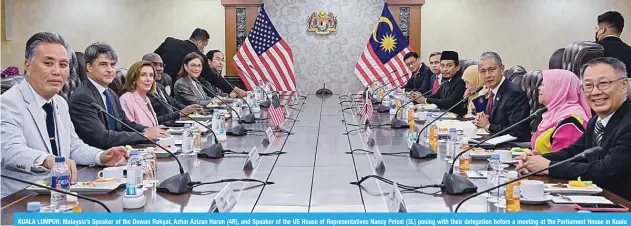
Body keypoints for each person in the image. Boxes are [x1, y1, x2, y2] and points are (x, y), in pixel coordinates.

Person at [1, 32, 128, 197]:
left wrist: (101, 156)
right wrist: (47, 159)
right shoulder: (7, 102)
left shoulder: (60, 102)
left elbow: (73, 146)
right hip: (19, 199)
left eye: (63, 65)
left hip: (60, 194)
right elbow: (10, 150)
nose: (57, 71)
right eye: (48, 63)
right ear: (28, 65)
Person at [517, 57, 631, 201]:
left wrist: (549, 166)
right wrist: (535, 161)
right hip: (597, 199)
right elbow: (574, 152)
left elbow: (607, 170)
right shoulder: (596, 120)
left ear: (624, 85)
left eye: (603, 84)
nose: (595, 92)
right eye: (588, 86)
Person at [69, 42, 168, 149]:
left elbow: (124, 123)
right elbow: (101, 137)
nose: (110, 69)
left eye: (112, 65)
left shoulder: (110, 94)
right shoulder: (83, 97)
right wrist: (144, 135)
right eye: (103, 64)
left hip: (118, 153)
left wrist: (146, 130)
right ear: (89, 67)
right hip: (97, 159)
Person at [154, 28, 246, 97]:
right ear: (199, 42)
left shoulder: (169, 41)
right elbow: (214, 77)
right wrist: (234, 89)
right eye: (203, 46)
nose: (202, 49)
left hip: (155, 83)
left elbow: (153, 58)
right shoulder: (197, 55)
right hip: (175, 89)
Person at [531, 70, 591, 154]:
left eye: (543, 85)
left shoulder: (571, 122)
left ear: (559, 88)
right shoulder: (554, 114)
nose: (539, 88)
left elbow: (561, 162)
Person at [473, 51, 530, 141]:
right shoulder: (493, 90)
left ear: (502, 69)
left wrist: (488, 126)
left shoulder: (514, 94)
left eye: (491, 70)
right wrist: (481, 120)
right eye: (483, 71)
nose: (487, 75)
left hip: (511, 147)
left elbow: (517, 131)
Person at [414, 51, 467, 116]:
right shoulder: (445, 79)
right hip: (444, 115)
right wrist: (418, 97)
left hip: (456, 118)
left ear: (457, 67)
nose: (444, 69)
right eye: (442, 66)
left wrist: (425, 100)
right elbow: (437, 96)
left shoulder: (461, 81)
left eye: (449, 66)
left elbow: (450, 102)